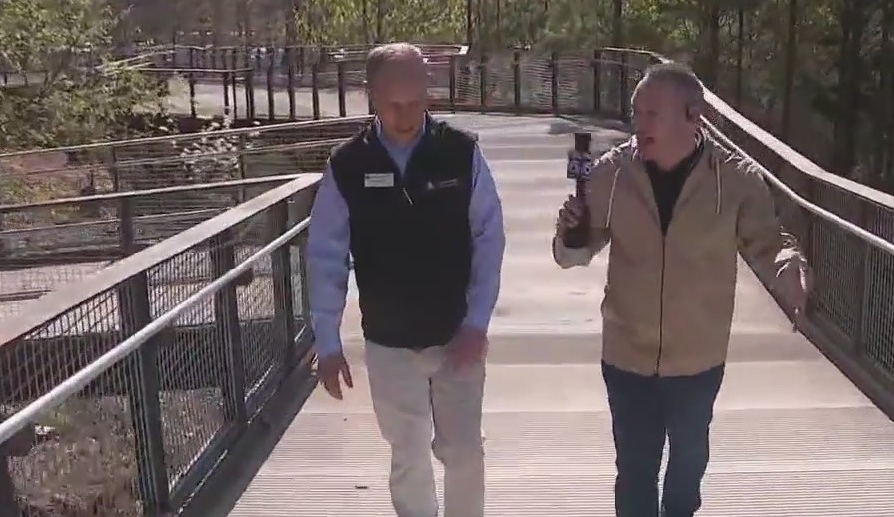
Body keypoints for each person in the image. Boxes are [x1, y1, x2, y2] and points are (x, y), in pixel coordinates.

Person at [552, 62, 810, 517]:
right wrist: (571, 235)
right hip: (627, 354)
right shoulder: (612, 173)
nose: (639, 124)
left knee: (688, 468)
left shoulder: (735, 178)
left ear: (693, 117)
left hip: (698, 357)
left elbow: (770, 243)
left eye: (652, 113)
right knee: (634, 469)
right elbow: (572, 255)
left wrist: (790, 270)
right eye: (637, 112)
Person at [306, 43, 506, 517]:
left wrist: (477, 323)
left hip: (456, 334)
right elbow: (326, 256)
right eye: (396, 105)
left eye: (418, 101)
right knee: (409, 457)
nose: (408, 114)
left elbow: (489, 239)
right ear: (372, 97)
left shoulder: (460, 153)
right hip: (389, 343)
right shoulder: (348, 166)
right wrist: (327, 342)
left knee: (464, 453)